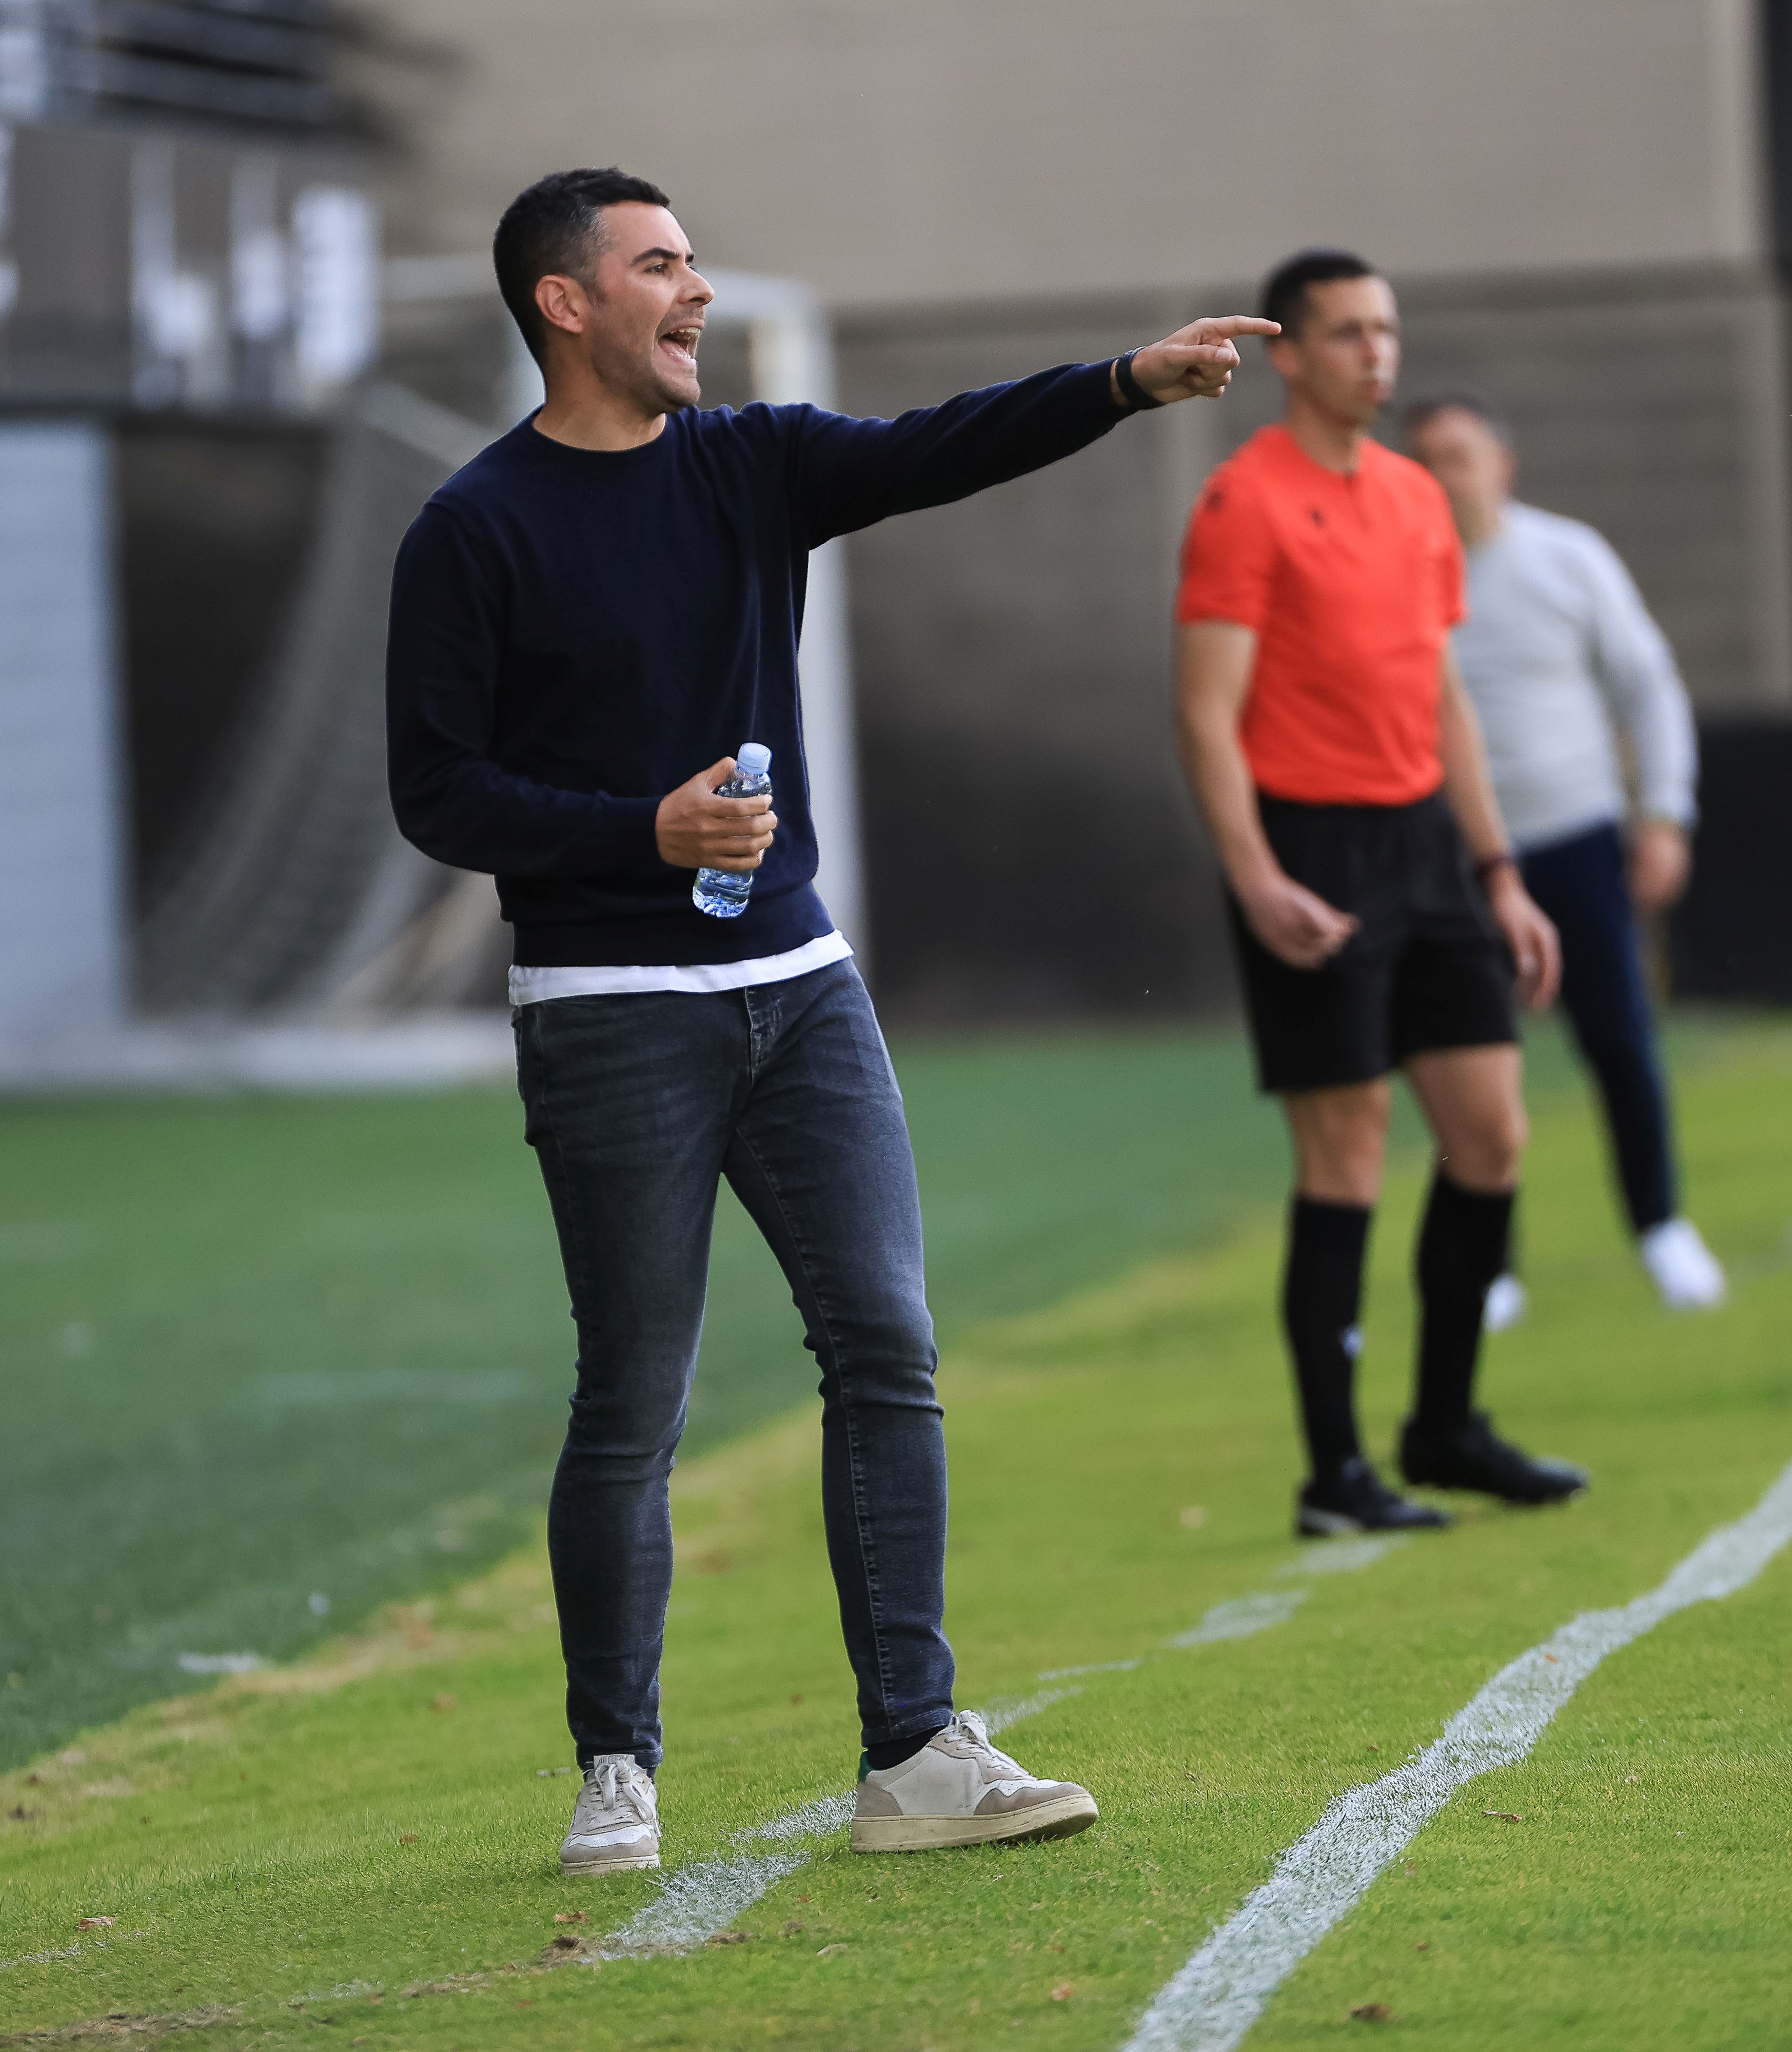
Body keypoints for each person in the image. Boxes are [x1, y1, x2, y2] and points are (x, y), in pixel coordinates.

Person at [387, 166, 1274, 1876]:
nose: (696, 290)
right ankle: (616, 1768)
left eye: (695, 261)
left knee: (886, 1344)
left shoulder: (752, 466)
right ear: (564, 304)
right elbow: (439, 794)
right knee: (632, 1405)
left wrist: (1120, 383)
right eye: (659, 266)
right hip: (611, 1014)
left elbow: (939, 443)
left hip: (801, 992)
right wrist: (635, 832)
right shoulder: (474, 529)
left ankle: (916, 1755)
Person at [1171, 249, 1585, 1540]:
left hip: (1426, 849)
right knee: (1346, 1152)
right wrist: (1258, 877)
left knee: (1493, 1136)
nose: (1376, 354)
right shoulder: (1244, 503)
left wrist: (1499, 870)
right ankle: (1335, 1472)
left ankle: (1445, 1425)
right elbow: (1204, 713)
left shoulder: (1414, 497)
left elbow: (1442, 692)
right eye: (1347, 334)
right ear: (1286, 355)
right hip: (1314, 849)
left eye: (1386, 330)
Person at [1403, 393, 1724, 1316]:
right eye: (1424, 460)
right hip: (1455, 854)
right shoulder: (1400, 572)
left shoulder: (1568, 558)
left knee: (1620, 1039)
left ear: (1502, 463)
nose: (1443, 477)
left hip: (1577, 838)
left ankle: (1662, 1229)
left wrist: (1662, 813)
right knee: (1469, 1063)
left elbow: (1647, 686)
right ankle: (1490, 1263)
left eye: (1459, 456)